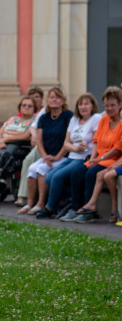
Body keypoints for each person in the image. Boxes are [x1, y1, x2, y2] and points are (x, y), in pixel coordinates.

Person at [37, 94, 101, 219]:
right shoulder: (74, 119)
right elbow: (66, 143)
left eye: (87, 104)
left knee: (57, 177)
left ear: (92, 106)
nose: (83, 107)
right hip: (72, 155)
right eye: (81, 104)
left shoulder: (96, 118)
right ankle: (67, 199)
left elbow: (96, 141)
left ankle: (50, 207)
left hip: (85, 157)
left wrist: (83, 149)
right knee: (49, 178)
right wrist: (75, 148)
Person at [64, 87, 122, 223]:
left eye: (113, 105)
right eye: (106, 105)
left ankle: (89, 212)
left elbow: (117, 149)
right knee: (76, 173)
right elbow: (96, 141)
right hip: (98, 158)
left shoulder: (121, 123)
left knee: (91, 174)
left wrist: (99, 159)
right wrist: (93, 158)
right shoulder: (103, 119)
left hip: (112, 159)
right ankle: (75, 208)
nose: (109, 108)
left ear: (120, 105)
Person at [17, 88, 73, 215]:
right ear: (47, 100)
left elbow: (68, 140)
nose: (54, 100)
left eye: (57, 97)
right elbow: (39, 141)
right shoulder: (44, 118)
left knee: (42, 170)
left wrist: (57, 157)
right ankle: (30, 203)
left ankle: (41, 203)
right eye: (51, 97)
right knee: (32, 168)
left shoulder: (68, 116)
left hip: (63, 157)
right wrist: (44, 156)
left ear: (63, 101)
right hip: (47, 156)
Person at [0, 96, 36, 173]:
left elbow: (26, 135)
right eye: (24, 105)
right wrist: (0, 141)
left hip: (15, 145)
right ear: (20, 107)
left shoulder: (34, 121)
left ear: (34, 109)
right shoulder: (13, 119)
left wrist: (6, 139)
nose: (26, 107)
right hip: (1, 143)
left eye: (30, 106)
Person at [15, 86, 46, 206]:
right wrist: (34, 136)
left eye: (37, 97)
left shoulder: (43, 111)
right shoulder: (18, 117)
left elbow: (30, 128)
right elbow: (33, 127)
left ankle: (24, 196)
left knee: (28, 160)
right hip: (35, 142)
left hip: (43, 144)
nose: (33, 100)